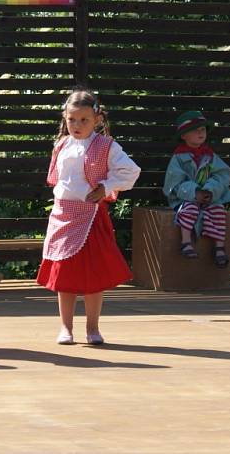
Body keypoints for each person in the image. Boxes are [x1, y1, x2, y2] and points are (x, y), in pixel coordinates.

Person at [36, 88, 140, 345]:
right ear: (65, 118)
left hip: (91, 216)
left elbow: (130, 170)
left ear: (97, 120)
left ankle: (93, 328)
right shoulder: (61, 145)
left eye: (84, 120)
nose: (77, 125)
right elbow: (58, 180)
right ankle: (65, 328)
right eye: (72, 120)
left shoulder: (106, 146)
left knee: (94, 276)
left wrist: (105, 186)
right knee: (64, 274)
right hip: (63, 216)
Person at [164, 110, 230, 267]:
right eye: (195, 130)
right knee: (189, 209)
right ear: (184, 136)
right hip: (185, 198)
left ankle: (219, 247)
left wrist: (210, 190)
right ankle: (186, 242)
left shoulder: (210, 156)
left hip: (209, 198)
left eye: (203, 129)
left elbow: (222, 174)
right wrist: (194, 192)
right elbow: (174, 182)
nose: (200, 132)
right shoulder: (178, 158)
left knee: (218, 210)